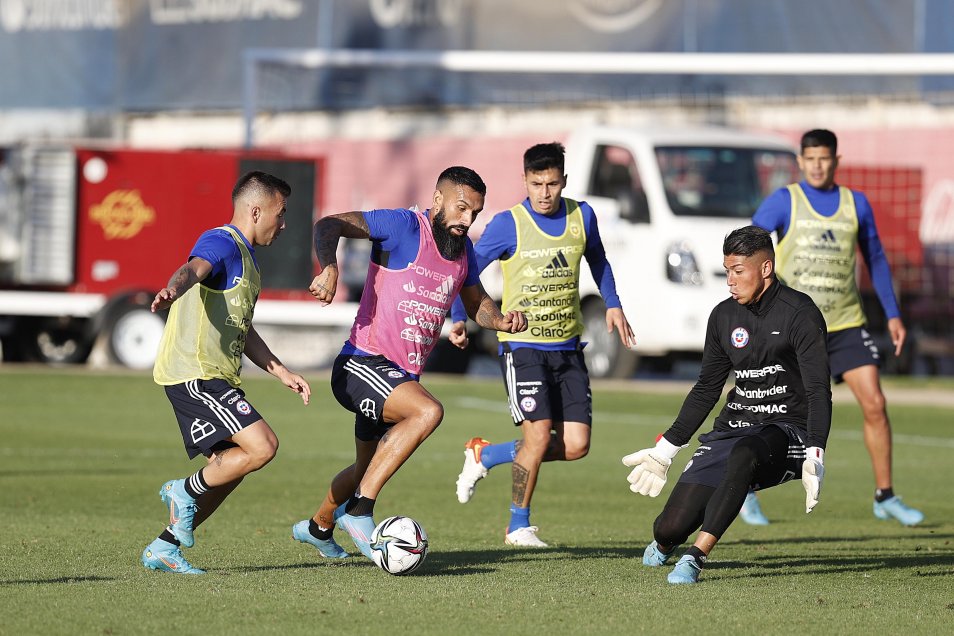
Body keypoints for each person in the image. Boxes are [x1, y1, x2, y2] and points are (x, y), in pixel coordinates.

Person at [292, 166, 527, 561]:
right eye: (461, 208)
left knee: (364, 468)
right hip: (361, 364)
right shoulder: (403, 226)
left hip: (397, 378)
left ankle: (319, 526)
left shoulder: (463, 250)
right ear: (437, 200)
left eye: (475, 213)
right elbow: (329, 224)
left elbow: (475, 303)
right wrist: (329, 267)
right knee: (428, 411)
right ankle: (361, 511)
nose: (467, 220)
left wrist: (499, 319)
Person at [622, 226, 831, 584]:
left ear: (765, 269)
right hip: (733, 428)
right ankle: (671, 542)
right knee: (669, 527)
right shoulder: (723, 316)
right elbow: (706, 388)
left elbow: (818, 390)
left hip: (788, 431)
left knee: (746, 454)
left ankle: (695, 556)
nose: (729, 280)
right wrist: (665, 450)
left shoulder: (800, 313)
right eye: (727, 270)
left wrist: (816, 453)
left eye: (738, 270)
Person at [452, 142, 635, 547]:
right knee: (537, 437)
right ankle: (518, 525)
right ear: (525, 181)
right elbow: (466, 273)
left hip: (568, 348)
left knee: (575, 446)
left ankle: (485, 455)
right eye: (537, 184)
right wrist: (458, 317)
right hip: (523, 347)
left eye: (552, 183)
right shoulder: (508, 224)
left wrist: (613, 304)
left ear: (564, 181)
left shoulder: (581, 216)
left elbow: (599, 260)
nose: (545, 192)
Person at [750, 128, 924, 526]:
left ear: (836, 161)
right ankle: (744, 490)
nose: (816, 165)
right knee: (769, 409)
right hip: (794, 327)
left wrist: (893, 313)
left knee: (876, 404)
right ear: (800, 161)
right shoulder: (784, 201)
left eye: (824, 158)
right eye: (809, 158)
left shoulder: (855, 204)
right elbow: (751, 245)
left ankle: (885, 495)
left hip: (846, 324)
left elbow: (876, 259)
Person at [142, 171, 312, 575]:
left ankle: (164, 548)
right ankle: (181, 490)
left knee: (231, 468)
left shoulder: (250, 263)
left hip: (216, 376)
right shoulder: (222, 241)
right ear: (256, 210)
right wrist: (172, 288)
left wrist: (279, 369)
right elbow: (194, 269)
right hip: (194, 373)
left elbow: (243, 328)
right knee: (263, 446)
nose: (284, 224)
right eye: (281, 213)